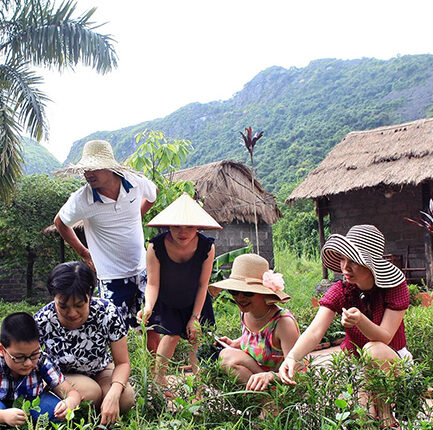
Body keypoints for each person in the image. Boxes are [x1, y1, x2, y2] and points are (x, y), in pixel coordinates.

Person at [278, 224, 411, 427]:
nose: (345, 268)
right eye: (343, 259)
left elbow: (385, 337)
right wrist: (292, 357)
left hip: (391, 360)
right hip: (357, 365)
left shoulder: (395, 288)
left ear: (371, 264)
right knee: (360, 419)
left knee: (372, 349)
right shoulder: (341, 290)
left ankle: (387, 419)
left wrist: (360, 321)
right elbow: (315, 330)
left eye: (354, 261)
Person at [54, 139, 158, 330]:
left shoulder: (135, 183)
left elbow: (153, 195)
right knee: (116, 329)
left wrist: (136, 217)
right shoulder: (82, 199)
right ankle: (122, 361)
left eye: (93, 168)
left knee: (151, 324)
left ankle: (154, 362)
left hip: (143, 268)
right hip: (111, 276)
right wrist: (84, 253)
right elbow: (59, 222)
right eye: (86, 169)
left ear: (110, 167)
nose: (88, 174)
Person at [34, 261, 136, 425]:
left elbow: (122, 362)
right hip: (62, 376)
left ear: (90, 294)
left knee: (125, 398)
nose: (72, 313)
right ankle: (88, 422)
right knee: (91, 394)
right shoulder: (43, 320)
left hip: (101, 369)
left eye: (79, 305)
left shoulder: (107, 312)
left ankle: (103, 414)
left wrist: (114, 393)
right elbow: (33, 363)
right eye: (63, 306)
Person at [138, 192, 221, 384]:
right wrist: (148, 306)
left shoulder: (206, 247)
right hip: (167, 300)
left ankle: (199, 388)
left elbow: (203, 284)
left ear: (198, 226)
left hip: (196, 300)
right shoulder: (155, 246)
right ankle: (158, 383)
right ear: (168, 225)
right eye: (176, 226)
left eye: (189, 226)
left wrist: (195, 318)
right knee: (171, 336)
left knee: (197, 340)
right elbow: (152, 283)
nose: (182, 232)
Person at [0, 312, 82, 430]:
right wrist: (3, 416)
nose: (28, 363)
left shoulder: (42, 360)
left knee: (57, 411)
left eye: (34, 354)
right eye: (19, 357)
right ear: (2, 350)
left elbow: (72, 393)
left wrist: (70, 402)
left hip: (32, 404)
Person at [209, 254, 300, 391]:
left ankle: (271, 408)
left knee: (228, 357)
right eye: (234, 291)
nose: (240, 298)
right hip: (255, 384)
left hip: (280, 389)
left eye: (247, 293)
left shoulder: (283, 323)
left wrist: (270, 376)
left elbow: (298, 373)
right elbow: (258, 339)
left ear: (264, 293)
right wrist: (236, 343)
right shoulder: (245, 312)